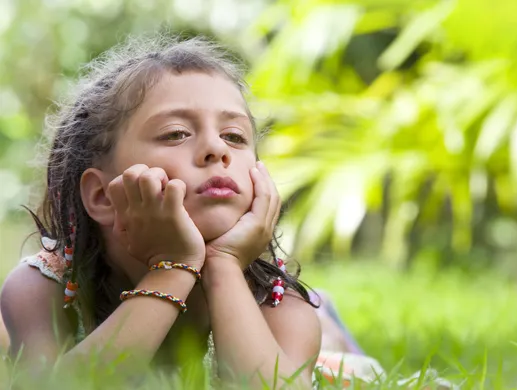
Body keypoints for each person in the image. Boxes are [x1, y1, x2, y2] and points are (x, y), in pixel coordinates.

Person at [0, 34, 385, 388]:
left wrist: (224, 265)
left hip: (312, 338)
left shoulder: (278, 300)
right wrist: (173, 267)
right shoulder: (44, 288)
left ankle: (329, 322)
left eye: (234, 136)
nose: (217, 150)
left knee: (345, 365)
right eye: (176, 134)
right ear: (102, 196)